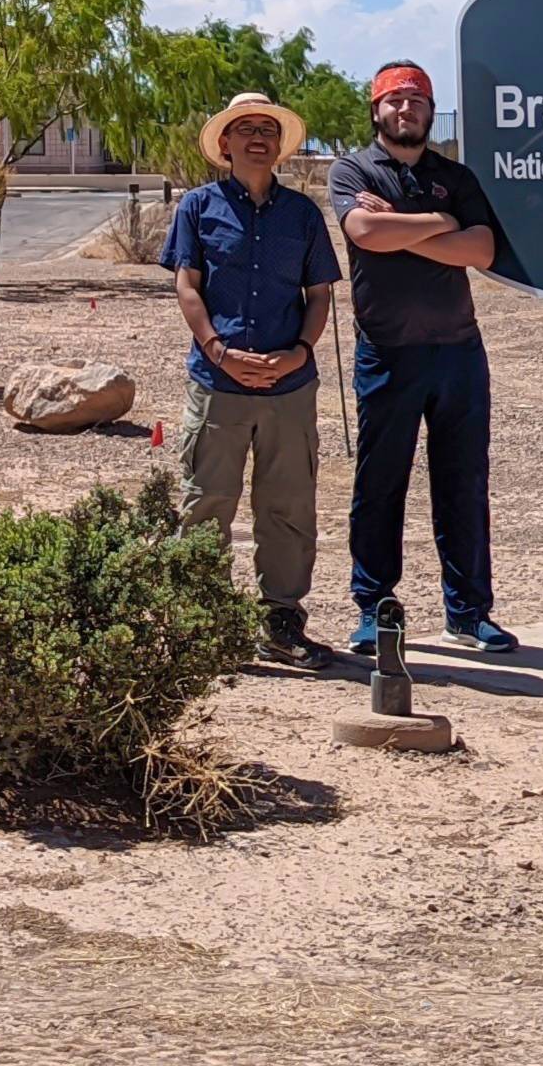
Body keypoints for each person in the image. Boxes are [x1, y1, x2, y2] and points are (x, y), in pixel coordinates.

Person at [327, 60, 515, 655]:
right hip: (388, 354)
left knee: (463, 481)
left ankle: (469, 612)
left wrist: (408, 225)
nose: (407, 111)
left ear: (431, 112)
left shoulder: (455, 176)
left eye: (418, 102)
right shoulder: (352, 170)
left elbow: (482, 248)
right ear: (376, 109)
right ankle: (374, 607)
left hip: (458, 350)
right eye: (395, 101)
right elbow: (366, 235)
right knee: (380, 483)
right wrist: (441, 226)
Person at [160, 90, 342, 669]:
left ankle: (280, 623)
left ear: (279, 146)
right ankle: (200, 627)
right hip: (218, 384)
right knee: (206, 502)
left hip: (289, 387)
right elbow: (188, 287)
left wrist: (298, 353)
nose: (257, 137)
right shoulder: (197, 208)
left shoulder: (304, 215)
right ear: (225, 144)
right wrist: (217, 349)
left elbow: (319, 296)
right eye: (245, 129)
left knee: (287, 507)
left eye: (267, 128)